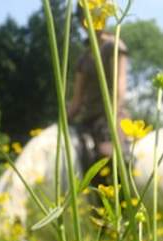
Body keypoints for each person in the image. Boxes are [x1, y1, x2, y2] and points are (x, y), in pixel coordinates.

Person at [67, 4, 129, 164]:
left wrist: (113, 116)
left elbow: (119, 88)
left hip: (110, 116)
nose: (93, 19)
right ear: (81, 22)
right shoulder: (83, 59)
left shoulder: (114, 46)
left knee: (108, 156)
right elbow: (77, 100)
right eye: (86, 15)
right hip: (88, 120)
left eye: (97, 14)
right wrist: (62, 123)